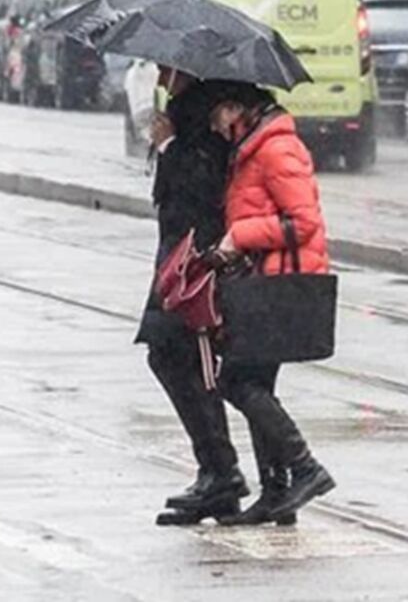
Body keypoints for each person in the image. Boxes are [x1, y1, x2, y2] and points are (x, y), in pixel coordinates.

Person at [209, 85, 334, 525]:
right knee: (254, 382)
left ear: (238, 107)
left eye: (218, 112)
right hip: (264, 278)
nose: (215, 125)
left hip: (282, 282)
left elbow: (303, 222)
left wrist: (239, 237)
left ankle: (304, 468)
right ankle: (277, 491)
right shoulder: (250, 147)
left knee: (238, 381)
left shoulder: (276, 147)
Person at [135, 66, 246, 526]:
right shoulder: (188, 107)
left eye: (166, 67)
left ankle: (221, 472)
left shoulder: (201, 112)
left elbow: (204, 187)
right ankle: (216, 471)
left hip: (195, 259)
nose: (160, 73)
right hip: (177, 257)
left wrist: (169, 144)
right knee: (169, 356)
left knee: (184, 358)